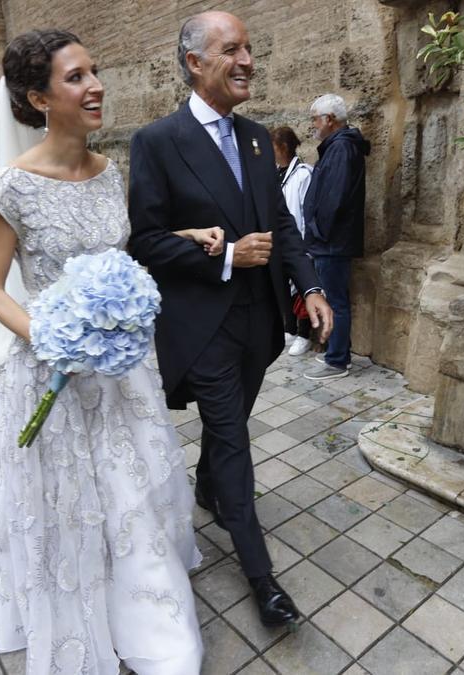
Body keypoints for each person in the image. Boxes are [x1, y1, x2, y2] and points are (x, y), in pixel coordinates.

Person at [0, 30, 207, 674]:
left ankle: (150, 618)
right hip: (52, 366)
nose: (95, 84)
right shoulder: (10, 188)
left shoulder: (110, 172)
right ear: (38, 98)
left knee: (131, 492)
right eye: (75, 77)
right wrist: (48, 337)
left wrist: (182, 239)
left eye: (94, 71)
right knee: (70, 501)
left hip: (121, 370)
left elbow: (116, 258)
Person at [128, 11, 333, 628]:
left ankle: (206, 486)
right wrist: (223, 256)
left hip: (261, 325)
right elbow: (145, 241)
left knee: (229, 427)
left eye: (250, 49)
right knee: (236, 443)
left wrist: (311, 285)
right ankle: (262, 578)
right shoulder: (158, 142)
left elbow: (282, 226)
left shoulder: (253, 136)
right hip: (205, 325)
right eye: (232, 50)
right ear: (195, 62)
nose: (247, 61)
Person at [301, 93, 370, 381]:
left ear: (329, 120)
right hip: (331, 240)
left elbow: (334, 198)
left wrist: (318, 231)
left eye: (315, 118)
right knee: (335, 298)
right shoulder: (338, 147)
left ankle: (338, 360)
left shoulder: (341, 149)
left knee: (336, 301)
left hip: (331, 242)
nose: (313, 125)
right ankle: (338, 353)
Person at [271, 126, 314, 356]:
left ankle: (304, 334)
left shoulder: (304, 174)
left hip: (298, 241)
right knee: (283, 285)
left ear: (284, 147)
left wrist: (306, 246)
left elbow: (307, 212)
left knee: (301, 289)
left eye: (273, 147)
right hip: (279, 241)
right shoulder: (276, 173)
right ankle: (288, 328)